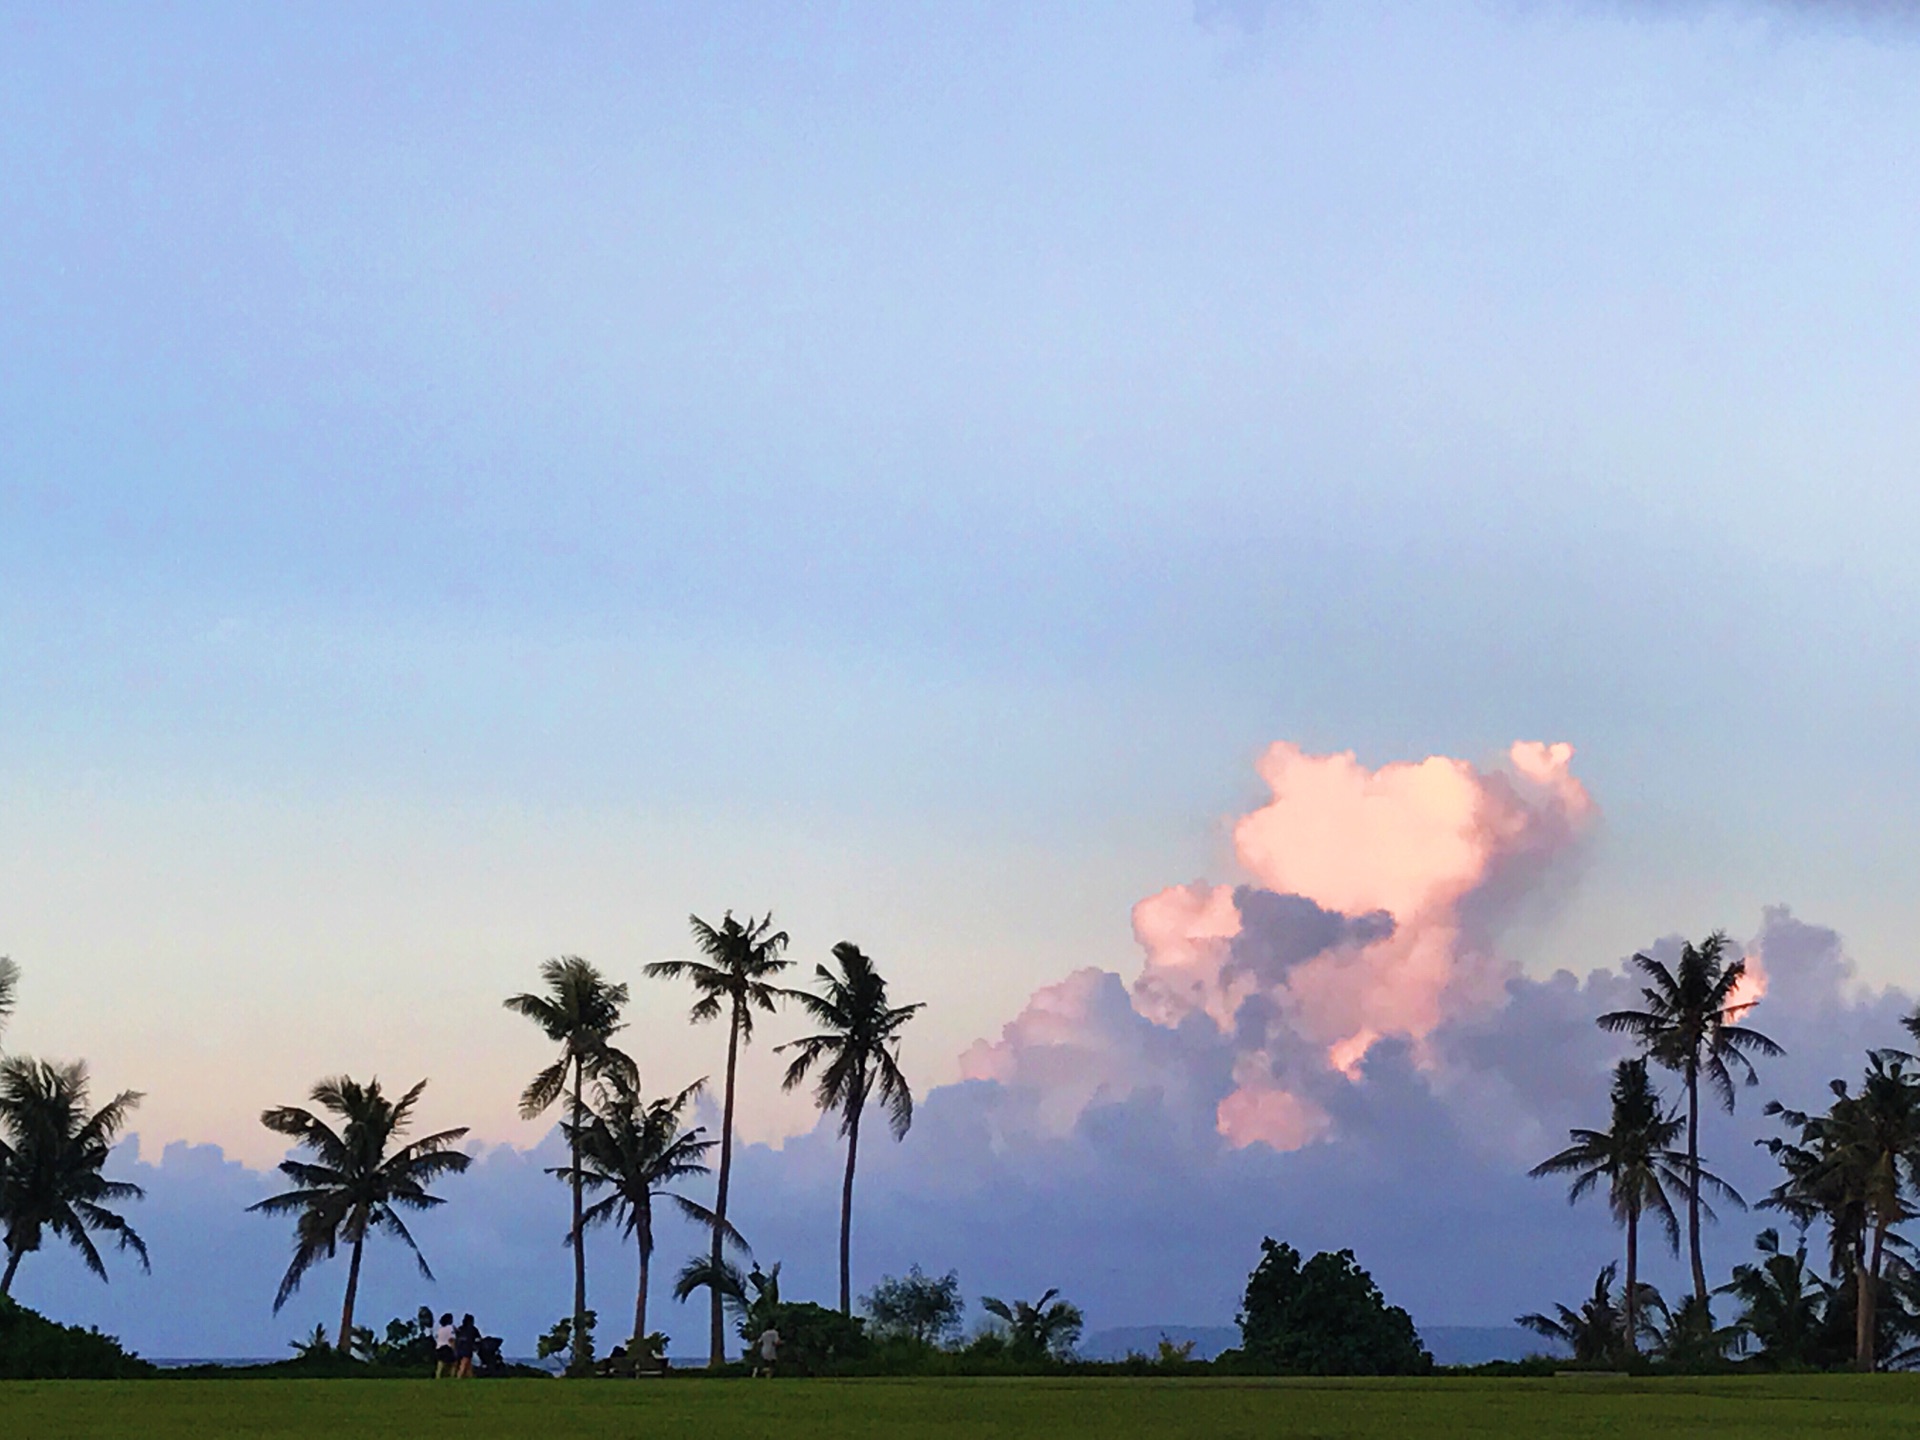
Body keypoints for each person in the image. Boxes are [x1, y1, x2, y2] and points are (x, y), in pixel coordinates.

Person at [455, 1313, 480, 1379]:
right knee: (464, 1363)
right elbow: (478, 1338)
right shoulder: (473, 1329)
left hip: (459, 1347)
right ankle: (459, 1376)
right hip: (467, 1348)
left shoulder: (460, 1328)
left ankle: (471, 1377)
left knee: (468, 1364)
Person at [433, 1313, 456, 1379]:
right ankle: (451, 1377)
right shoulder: (450, 1328)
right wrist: (454, 1349)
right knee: (453, 1364)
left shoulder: (440, 1329)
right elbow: (451, 1339)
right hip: (446, 1348)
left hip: (438, 1347)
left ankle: (438, 1377)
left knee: (440, 1364)